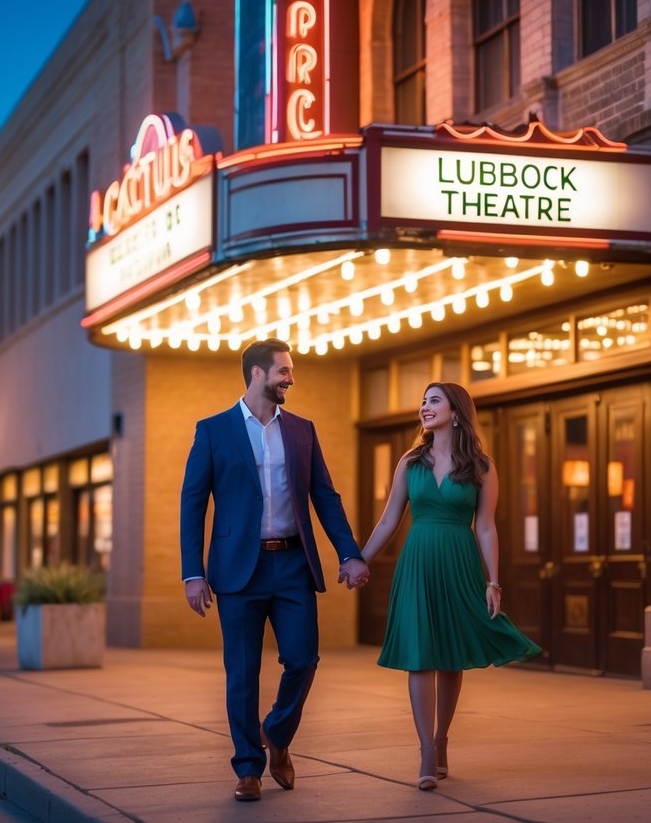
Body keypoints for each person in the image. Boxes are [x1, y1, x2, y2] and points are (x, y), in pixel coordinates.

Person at [180, 338, 371, 802]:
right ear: (257, 374)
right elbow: (192, 503)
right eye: (284, 371)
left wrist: (349, 552)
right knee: (242, 672)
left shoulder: (303, 430)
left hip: (292, 564)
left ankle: (277, 734)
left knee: (303, 660)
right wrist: (193, 572)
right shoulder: (213, 430)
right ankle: (248, 768)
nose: (291, 378)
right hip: (236, 570)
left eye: (291, 371)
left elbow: (325, 496)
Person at [356, 382, 542, 791]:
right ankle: (426, 750)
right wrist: (359, 560)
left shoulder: (481, 466)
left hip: (459, 562)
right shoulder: (410, 461)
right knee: (421, 654)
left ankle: (442, 739)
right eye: (422, 401)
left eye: (433, 400)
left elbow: (487, 526)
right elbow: (389, 519)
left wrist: (493, 581)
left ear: (456, 411)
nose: (424, 407)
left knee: (451, 656)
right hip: (418, 561)